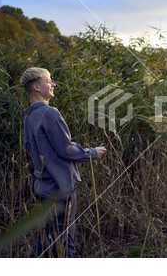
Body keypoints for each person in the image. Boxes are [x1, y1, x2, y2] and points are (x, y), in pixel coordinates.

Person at [20, 67, 107, 258]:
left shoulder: (29, 116)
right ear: (36, 86)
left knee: (46, 238)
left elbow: (28, 146)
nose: (53, 85)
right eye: (49, 81)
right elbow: (65, 148)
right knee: (66, 242)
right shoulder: (50, 113)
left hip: (43, 187)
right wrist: (91, 152)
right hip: (61, 187)